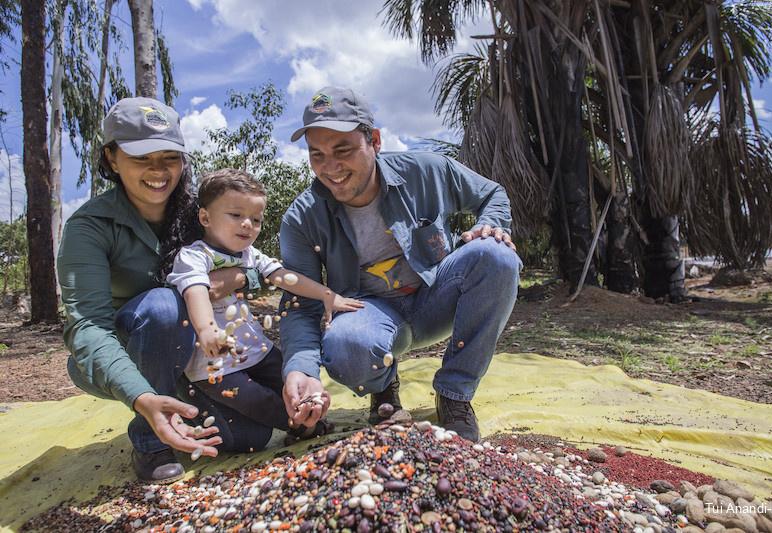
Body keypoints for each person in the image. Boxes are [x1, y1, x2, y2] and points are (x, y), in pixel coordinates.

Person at [59, 98, 299, 484]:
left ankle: (183, 399)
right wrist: (141, 396)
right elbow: (87, 328)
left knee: (248, 438)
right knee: (163, 306)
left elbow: (250, 263)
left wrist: (235, 280)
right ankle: (150, 439)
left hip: (197, 351)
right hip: (127, 353)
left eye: (169, 157)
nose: (158, 171)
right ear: (111, 157)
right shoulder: (90, 227)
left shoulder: (202, 210)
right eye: (141, 157)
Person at [279, 87, 522, 442]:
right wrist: (301, 369)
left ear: (374, 141)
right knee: (346, 345)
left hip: (436, 298)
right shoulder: (303, 218)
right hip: (370, 312)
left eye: (343, 150)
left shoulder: (425, 171)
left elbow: (491, 194)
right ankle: (384, 386)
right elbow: (299, 304)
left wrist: (493, 225)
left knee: (497, 254)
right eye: (317, 155)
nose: (330, 168)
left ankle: (454, 394)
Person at [167, 168, 361, 440]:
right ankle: (302, 425)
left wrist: (327, 294)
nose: (248, 224)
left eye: (256, 219)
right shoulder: (195, 256)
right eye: (236, 215)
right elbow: (196, 291)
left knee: (290, 375)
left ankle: (308, 412)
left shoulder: (250, 255)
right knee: (257, 401)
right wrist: (207, 329)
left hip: (256, 349)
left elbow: (284, 277)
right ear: (205, 217)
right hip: (216, 363)